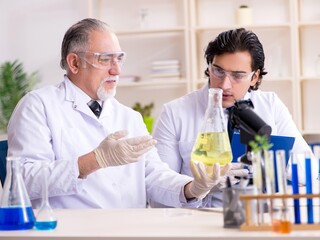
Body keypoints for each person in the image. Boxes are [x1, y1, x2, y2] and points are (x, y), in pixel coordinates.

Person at [7, 18, 232, 209]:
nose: (117, 70)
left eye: (119, 59)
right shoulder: (38, 106)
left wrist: (192, 188)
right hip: (69, 232)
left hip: (129, 231)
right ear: (74, 62)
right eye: (105, 59)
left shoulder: (129, 117)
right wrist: (94, 161)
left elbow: (154, 176)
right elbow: (24, 181)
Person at [151, 28, 317, 208]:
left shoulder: (270, 105)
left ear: (254, 77)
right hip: (198, 220)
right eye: (218, 71)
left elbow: (310, 171)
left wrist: (268, 158)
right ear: (209, 67)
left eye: (237, 75)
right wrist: (194, 188)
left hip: (257, 217)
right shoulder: (175, 112)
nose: (224, 85)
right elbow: (158, 187)